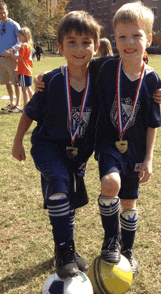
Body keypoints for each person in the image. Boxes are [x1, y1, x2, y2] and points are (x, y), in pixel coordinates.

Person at [12, 11, 101, 279]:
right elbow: (29, 112)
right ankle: (64, 250)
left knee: (69, 201)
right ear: (60, 47)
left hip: (78, 154)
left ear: (96, 46)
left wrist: (155, 87)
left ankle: (66, 249)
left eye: (86, 42)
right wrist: (17, 143)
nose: (79, 48)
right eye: (71, 42)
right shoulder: (49, 81)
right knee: (60, 185)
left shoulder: (101, 81)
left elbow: (130, 64)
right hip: (48, 147)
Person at [95, 1, 161, 277]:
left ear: (149, 39)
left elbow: (151, 124)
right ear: (114, 39)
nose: (129, 42)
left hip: (135, 151)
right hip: (109, 144)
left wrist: (148, 158)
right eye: (122, 36)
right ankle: (111, 239)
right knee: (110, 183)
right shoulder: (106, 68)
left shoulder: (152, 80)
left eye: (136, 35)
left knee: (129, 202)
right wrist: (44, 76)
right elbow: (76, 66)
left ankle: (128, 250)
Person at [4, 27, 34, 112]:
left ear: (25, 36)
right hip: (27, 70)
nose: (18, 38)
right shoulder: (28, 45)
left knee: (24, 90)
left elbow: (20, 58)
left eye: (20, 36)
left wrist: (9, 55)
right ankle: (34, 104)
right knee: (28, 89)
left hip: (24, 70)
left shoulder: (24, 45)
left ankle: (25, 108)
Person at [0, 2, 21, 112]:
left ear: (7, 11)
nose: (2, 15)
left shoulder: (14, 25)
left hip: (12, 58)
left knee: (15, 82)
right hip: (1, 59)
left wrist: (11, 51)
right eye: (0, 13)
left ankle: (18, 104)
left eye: (4, 12)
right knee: (6, 82)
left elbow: (20, 42)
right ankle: (12, 103)